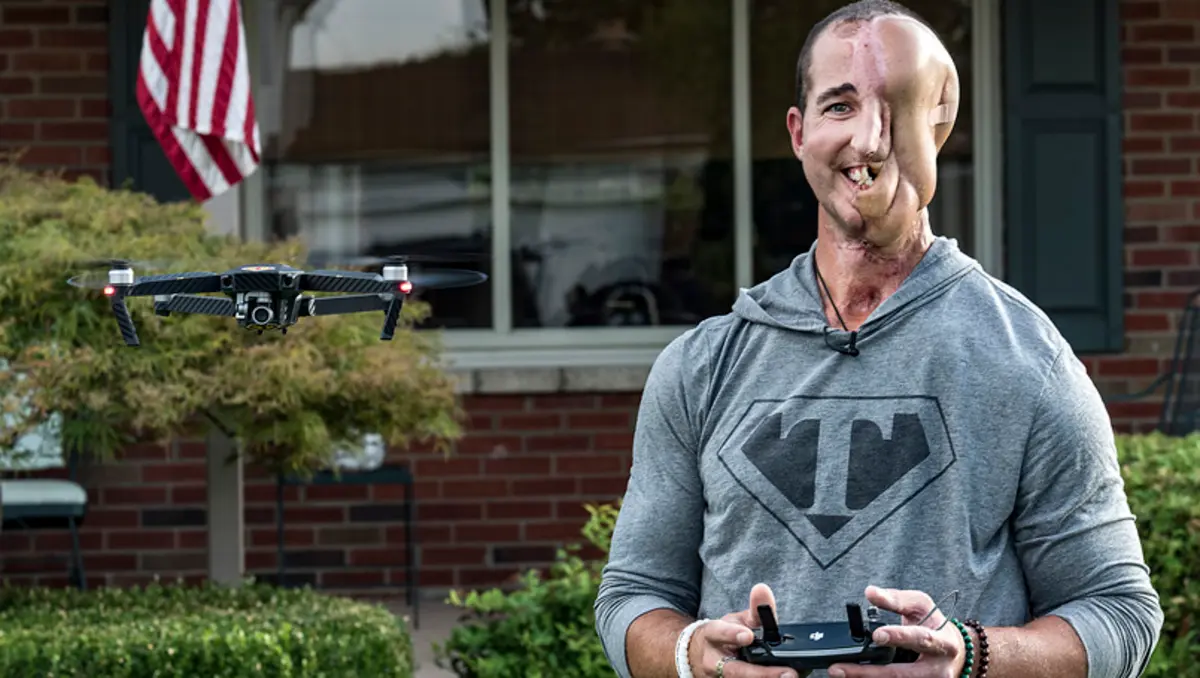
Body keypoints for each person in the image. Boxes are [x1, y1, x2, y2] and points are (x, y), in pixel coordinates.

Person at [593, 1, 1164, 677]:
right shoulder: (702, 367)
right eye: (840, 106)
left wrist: (971, 656)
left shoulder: (1027, 364)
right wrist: (693, 656)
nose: (866, 140)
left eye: (897, 109)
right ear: (799, 132)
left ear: (938, 129)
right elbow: (633, 597)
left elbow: (1120, 614)